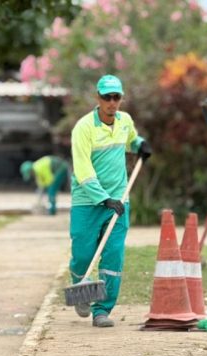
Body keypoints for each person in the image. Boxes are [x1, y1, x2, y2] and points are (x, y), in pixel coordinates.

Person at [69, 74, 152, 328]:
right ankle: (80, 289)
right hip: (87, 202)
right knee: (83, 255)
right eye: (107, 97)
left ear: (121, 99)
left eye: (116, 97)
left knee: (113, 257)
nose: (112, 102)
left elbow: (131, 140)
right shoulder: (83, 128)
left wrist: (140, 144)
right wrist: (103, 198)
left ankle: (102, 310)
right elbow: (83, 171)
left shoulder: (125, 121)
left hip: (119, 200)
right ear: (98, 98)